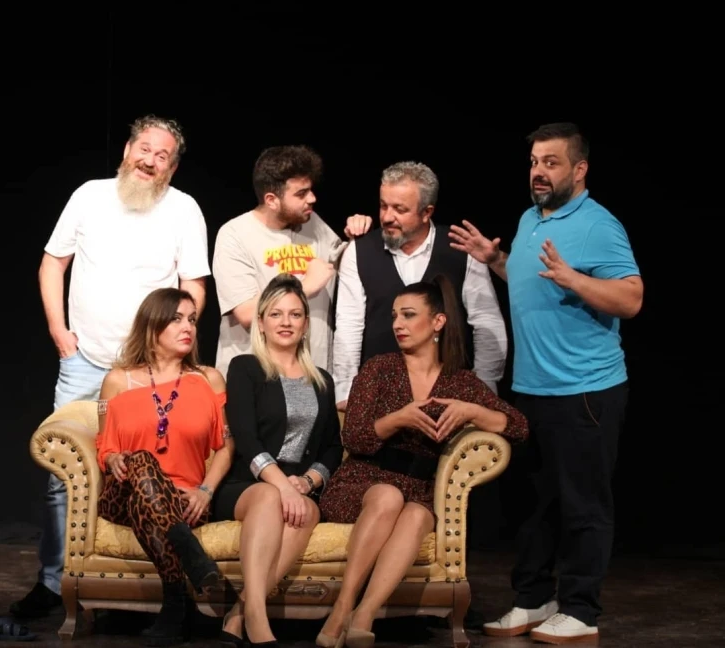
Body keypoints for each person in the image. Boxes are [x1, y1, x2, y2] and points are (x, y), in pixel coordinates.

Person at [450, 122, 643, 644]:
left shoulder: (599, 225)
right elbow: (532, 281)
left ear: (579, 170)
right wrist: (495, 260)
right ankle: (534, 599)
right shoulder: (529, 218)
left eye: (551, 162)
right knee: (533, 506)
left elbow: (631, 298)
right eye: (534, 162)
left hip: (586, 391)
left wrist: (576, 278)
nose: (538, 171)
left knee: (584, 506)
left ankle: (581, 611)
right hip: (533, 390)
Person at [12, 115, 212, 619]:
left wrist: (173, 354)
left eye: (162, 155)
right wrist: (60, 333)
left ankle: (146, 584)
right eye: (144, 148)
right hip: (86, 363)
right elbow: (53, 262)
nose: (150, 160)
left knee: (149, 470)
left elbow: (193, 286)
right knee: (62, 473)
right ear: (127, 149)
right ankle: (54, 582)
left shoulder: (184, 209)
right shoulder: (89, 195)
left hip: (151, 373)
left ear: (172, 167)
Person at [316, 274, 529, 647]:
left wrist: (472, 411)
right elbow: (354, 438)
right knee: (388, 496)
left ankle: (364, 614)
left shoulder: (460, 383)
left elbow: (519, 427)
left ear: (438, 322)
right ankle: (342, 607)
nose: (397, 324)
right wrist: (398, 419)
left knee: (416, 514)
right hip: (364, 480)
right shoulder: (379, 369)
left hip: (419, 488)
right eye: (395, 316)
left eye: (409, 315)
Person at [212, 274, 344, 647]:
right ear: (262, 323)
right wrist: (282, 486)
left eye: (295, 314)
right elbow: (246, 438)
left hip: (298, 486)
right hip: (246, 484)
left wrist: (308, 482)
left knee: (306, 509)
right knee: (272, 497)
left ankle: (239, 612)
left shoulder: (322, 380)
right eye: (275, 314)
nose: (285, 322)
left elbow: (332, 448)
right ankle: (257, 617)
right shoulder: (245, 368)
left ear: (305, 324)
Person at [95, 287, 233, 646]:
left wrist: (206, 491)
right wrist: (112, 458)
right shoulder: (117, 381)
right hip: (122, 495)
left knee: (149, 496)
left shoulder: (208, 379)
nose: (188, 327)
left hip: (185, 501)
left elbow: (226, 446)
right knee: (141, 459)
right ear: (152, 325)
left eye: (192, 320)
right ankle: (192, 557)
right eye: (176, 319)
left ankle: (175, 603)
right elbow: (104, 446)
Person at [332, 160, 508, 414]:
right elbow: (349, 325)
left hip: (449, 396)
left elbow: (486, 321)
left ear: (427, 212)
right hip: (380, 394)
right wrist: (346, 390)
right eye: (383, 205)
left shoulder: (461, 249)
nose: (387, 217)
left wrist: (485, 387)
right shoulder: (359, 251)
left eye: (399, 209)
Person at [212, 144, 371, 379]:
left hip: (310, 372)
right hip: (257, 378)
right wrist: (305, 286)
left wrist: (359, 237)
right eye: (301, 194)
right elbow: (246, 313)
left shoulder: (314, 224)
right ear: (271, 200)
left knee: (306, 404)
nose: (312, 198)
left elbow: (347, 268)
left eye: (311, 190)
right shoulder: (235, 234)